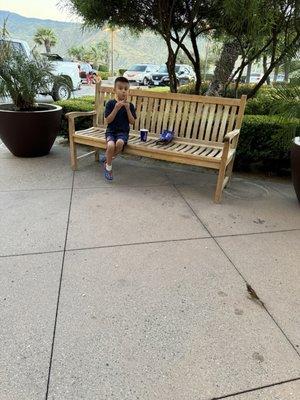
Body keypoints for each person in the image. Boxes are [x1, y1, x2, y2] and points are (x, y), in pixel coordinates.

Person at [101, 76, 136, 180]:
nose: (123, 91)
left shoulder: (130, 105)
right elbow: (108, 120)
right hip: (111, 131)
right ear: (114, 90)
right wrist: (116, 108)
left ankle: (107, 159)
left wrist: (128, 109)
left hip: (123, 132)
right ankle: (108, 168)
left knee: (120, 143)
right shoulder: (110, 104)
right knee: (111, 146)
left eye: (126, 89)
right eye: (120, 88)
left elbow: (132, 122)